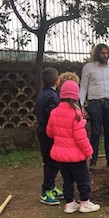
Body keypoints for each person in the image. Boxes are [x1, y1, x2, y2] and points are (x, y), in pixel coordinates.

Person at [47, 80, 100, 213]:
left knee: (67, 180)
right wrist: (89, 152)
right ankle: (85, 203)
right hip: (76, 156)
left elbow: (50, 132)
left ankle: (70, 204)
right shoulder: (76, 114)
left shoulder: (54, 112)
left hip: (61, 156)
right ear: (76, 96)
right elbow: (81, 138)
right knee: (83, 179)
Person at [79, 44, 109, 170]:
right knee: (95, 131)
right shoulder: (88, 68)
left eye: (106, 53)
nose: (105, 55)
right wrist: (81, 104)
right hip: (95, 103)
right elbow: (83, 86)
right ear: (97, 54)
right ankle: (93, 161)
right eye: (102, 53)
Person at [34, 67, 64, 205]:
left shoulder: (42, 94)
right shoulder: (53, 96)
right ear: (57, 82)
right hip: (49, 133)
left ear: (42, 81)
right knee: (53, 162)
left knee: (49, 161)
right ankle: (45, 191)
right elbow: (52, 115)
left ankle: (51, 187)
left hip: (43, 131)